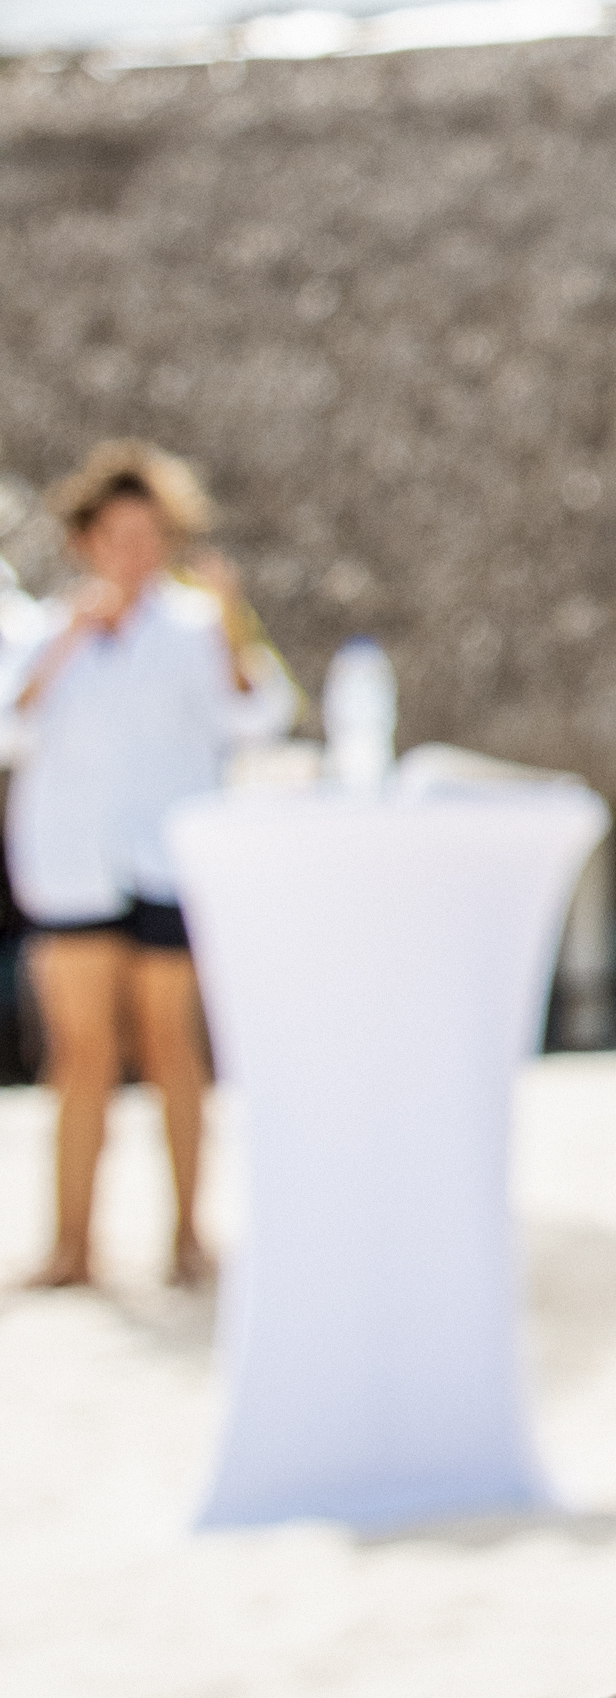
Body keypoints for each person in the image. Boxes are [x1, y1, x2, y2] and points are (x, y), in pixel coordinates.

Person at [8, 442, 255, 1291]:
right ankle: (71, 1247)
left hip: (167, 863)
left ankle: (188, 1240)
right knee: (78, 1057)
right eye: (117, 535)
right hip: (73, 866)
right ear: (87, 541)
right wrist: (68, 643)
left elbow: (254, 715)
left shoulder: (197, 627)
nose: (133, 553)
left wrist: (227, 621)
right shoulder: (39, 632)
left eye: (149, 536)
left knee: (171, 1048)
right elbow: (11, 727)